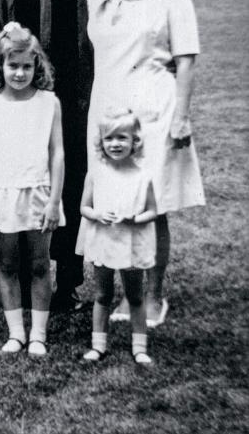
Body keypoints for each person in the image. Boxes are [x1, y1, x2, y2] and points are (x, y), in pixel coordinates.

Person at [0, 0, 108, 313]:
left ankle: (67, 281)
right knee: (23, 180)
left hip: (78, 103)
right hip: (20, 108)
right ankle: (24, 273)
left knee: (72, 182)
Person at [88, 0, 205, 327]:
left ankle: (153, 297)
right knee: (113, 199)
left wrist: (182, 118)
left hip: (155, 109)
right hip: (108, 111)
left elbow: (186, 60)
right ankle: (124, 292)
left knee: (151, 203)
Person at [0, 23, 65, 357]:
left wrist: (54, 201)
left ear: (36, 65)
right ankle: (16, 333)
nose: (19, 73)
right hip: (3, 195)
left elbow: (57, 153)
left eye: (27, 66)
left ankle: (38, 334)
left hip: (39, 193)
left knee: (40, 264)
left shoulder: (49, 102)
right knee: (7, 264)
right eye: (13, 65)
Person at [79, 109, 159, 365]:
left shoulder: (142, 176)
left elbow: (153, 211)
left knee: (135, 296)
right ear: (101, 141)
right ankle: (98, 345)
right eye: (109, 138)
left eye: (122, 138)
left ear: (135, 141)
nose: (115, 144)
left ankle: (140, 347)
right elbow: (84, 207)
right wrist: (97, 214)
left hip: (132, 242)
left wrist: (135, 219)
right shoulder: (96, 173)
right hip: (104, 240)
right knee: (102, 295)